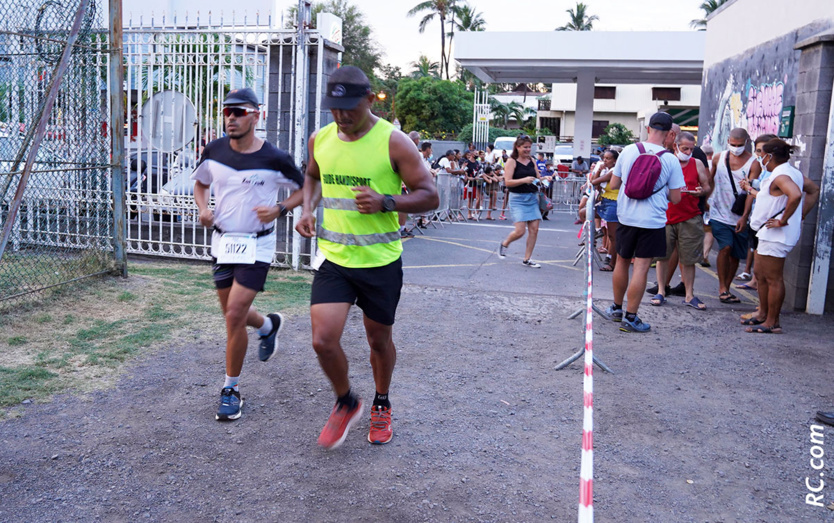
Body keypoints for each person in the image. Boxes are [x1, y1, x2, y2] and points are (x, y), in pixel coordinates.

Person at [295, 66, 438, 449]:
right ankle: (346, 401)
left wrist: (386, 201)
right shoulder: (320, 139)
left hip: (380, 264)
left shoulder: (394, 142)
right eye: (334, 108)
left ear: (370, 99)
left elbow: (430, 195)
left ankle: (381, 402)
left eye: (349, 107)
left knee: (378, 342)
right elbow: (312, 176)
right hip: (336, 260)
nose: (341, 116)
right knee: (323, 340)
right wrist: (306, 210)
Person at [191, 87, 304, 421]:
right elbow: (200, 183)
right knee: (233, 312)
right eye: (227, 111)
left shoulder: (275, 158)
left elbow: (307, 189)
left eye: (239, 112)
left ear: (256, 115)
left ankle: (231, 389)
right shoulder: (213, 150)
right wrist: (202, 208)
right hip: (224, 242)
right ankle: (268, 325)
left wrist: (280, 208)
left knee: (234, 314)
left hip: (258, 243)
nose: (231, 117)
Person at [605, 112, 684, 333]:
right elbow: (676, 198)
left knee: (621, 261)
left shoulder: (629, 151)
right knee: (640, 268)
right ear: (670, 134)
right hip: (652, 221)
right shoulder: (670, 160)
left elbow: (613, 184)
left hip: (626, 217)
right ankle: (631, 318)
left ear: (648, 128)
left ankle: (616, 308)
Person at [741, 138, 819, 333]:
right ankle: (763, 314)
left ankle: (772, 321)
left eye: (761, 154)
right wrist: (799, 215)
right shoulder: (787, 172)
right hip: (767, 233)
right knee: (760, 275)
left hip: (776, 234)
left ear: (770, 156)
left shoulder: (781, 175)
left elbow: (796, 195)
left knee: (772, 278)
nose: (760, 158)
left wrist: (784, 220)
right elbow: (809, 191)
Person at [650, 131, 711, 310]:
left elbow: (707, 185)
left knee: (689, 259)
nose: (688, 152)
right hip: (666, 216)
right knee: (662, 257)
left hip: (691, 216)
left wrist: (701, 191)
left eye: (691, 149)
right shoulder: (666, 161)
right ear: (675, 145)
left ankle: (689, 294)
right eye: (685, 148)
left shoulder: (697, 163)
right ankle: (661, 290)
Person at [707, 128, 757, 304]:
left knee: (735, 254)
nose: (736, 148)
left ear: (746, 142)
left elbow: (751, 193)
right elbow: (710, 180)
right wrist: (705, 199)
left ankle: (726, 288)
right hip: (719, 213)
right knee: (725, 247)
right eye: (733, 144)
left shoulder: (753, 163)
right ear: (728, 140)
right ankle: (722, 287)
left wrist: (745, 216)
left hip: (739, 214)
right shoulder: (718, 157)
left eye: (740, 145)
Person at [498, 135, 544, 268]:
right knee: (520, 231)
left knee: (534, 229)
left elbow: (537, 177)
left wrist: (543, 179)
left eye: (530, 147)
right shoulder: (511, 161)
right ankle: (505, 243)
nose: (528, 150)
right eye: (525, 147)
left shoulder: (532, 160)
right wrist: (524, 180)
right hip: (517, 199)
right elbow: (508, 182)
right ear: (517, 147)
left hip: (532, 197)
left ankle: (527, 259)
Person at [590, 149, 619, 271]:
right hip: (605, 201)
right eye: (604, 158)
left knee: (613, 236)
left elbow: (594, 181)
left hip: (614, 202)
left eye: (608, 158)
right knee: (584, 212)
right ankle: (597, 230)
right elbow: (595, 185)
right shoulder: (606, 170)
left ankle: (612, 261)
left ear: (615, 161)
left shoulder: (613, 171)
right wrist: (600, 170)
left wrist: (599, 171)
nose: (605, 161)